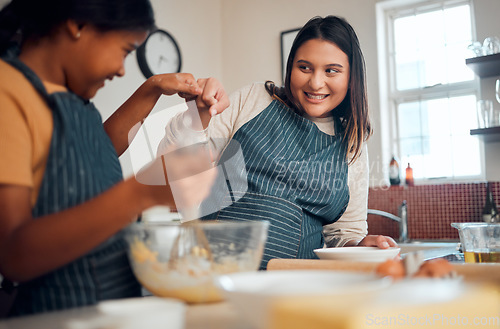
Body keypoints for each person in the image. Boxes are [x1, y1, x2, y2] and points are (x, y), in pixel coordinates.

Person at [0, 0, 228, 317]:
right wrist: (142, 192)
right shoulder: (7, 93)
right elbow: (13, 254)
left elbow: (97, 151)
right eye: (125, 50)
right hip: (57, 314)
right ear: (78, 25)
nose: (122, 69)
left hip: (110, 307)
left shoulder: (73, 99)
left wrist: (155, 87)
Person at [158, 15, 397, 270]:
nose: (315, 82)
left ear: (351, 78)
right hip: (208, 274)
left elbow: (344, 234)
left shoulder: (353, 145)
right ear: (290, 66)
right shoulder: (254, 99)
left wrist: (359, 247)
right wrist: (198, 117)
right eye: (304, 67)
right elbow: (172, 169)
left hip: (295, 289)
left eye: (331, 71)